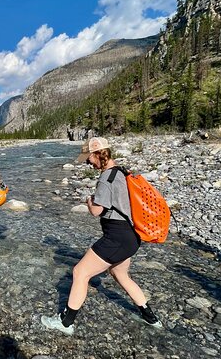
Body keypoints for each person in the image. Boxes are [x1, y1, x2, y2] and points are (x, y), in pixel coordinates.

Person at [41, 137, 161, 335]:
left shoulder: (106, 178)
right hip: (132, 237)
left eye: (89, 158)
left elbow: (97, 211)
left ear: (97, 154)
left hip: (117, 237)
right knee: (120, 275)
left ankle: (65, 323)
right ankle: (151, 318)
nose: (88, 162)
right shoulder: (122, 171)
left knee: (80, 272)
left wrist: (90, 201)